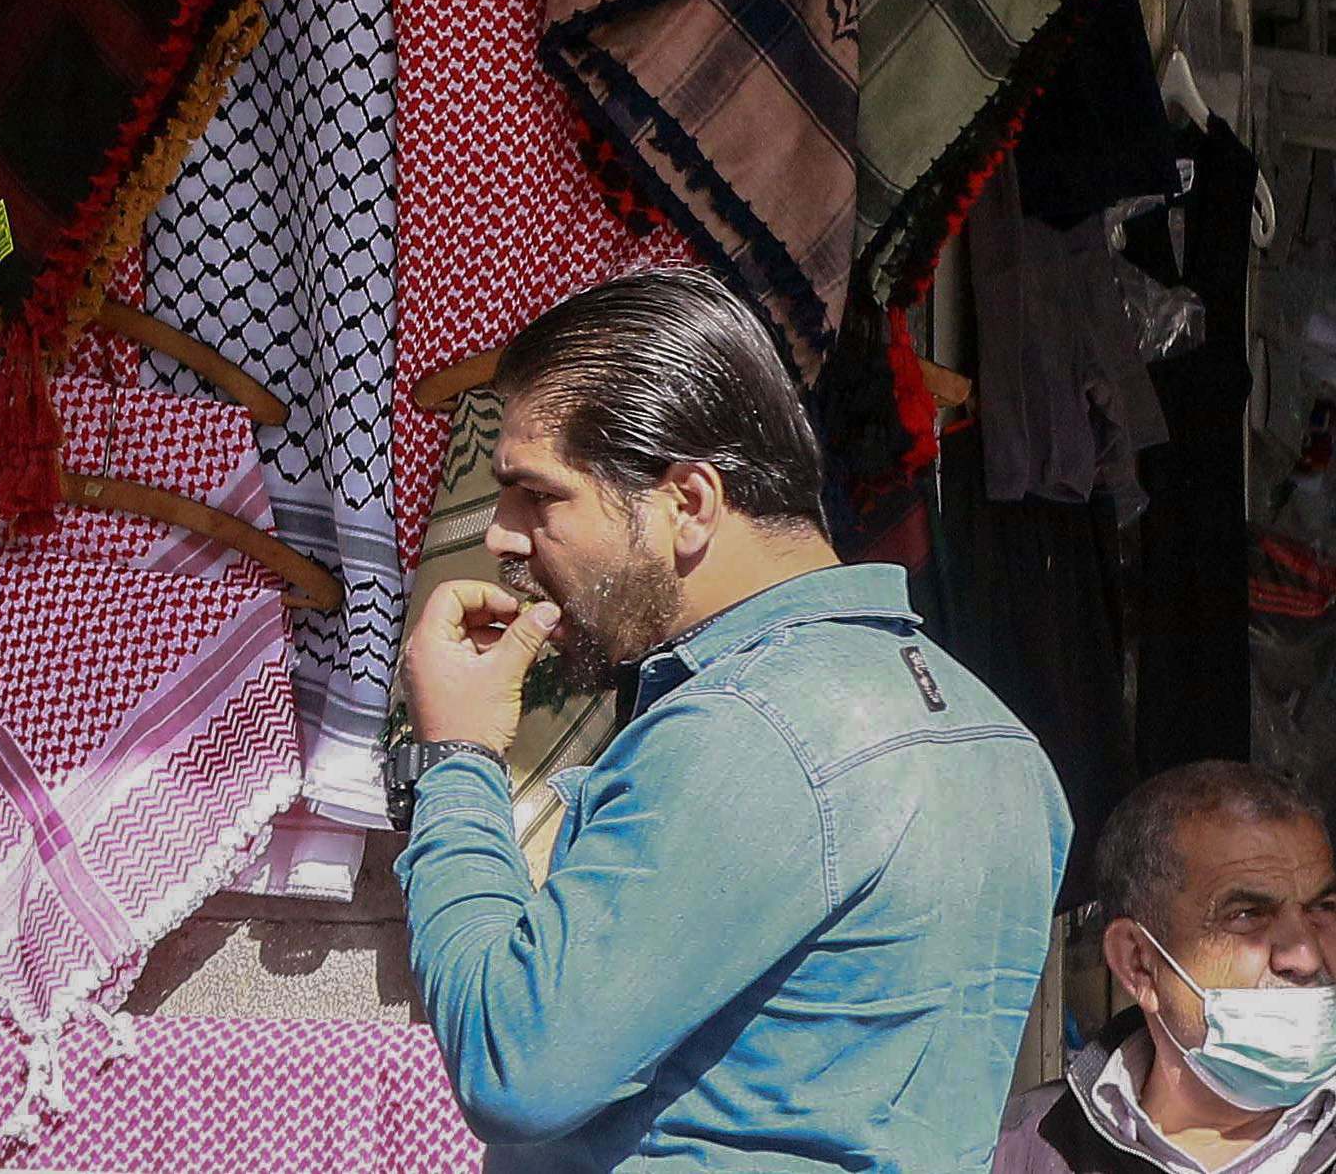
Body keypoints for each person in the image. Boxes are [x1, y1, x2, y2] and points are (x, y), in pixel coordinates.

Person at [391, 268, 1069, 1173]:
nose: (502, 536)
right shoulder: (996, 734)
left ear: (690, 502)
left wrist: (459, 756)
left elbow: (513, 1063)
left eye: (538, 495)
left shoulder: (744, 733)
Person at [995, 762, 1336, 1174]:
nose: (1306, 956)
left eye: (1323, 908)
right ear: (1139, 963)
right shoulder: (1027, 1147)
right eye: (1247, 915)